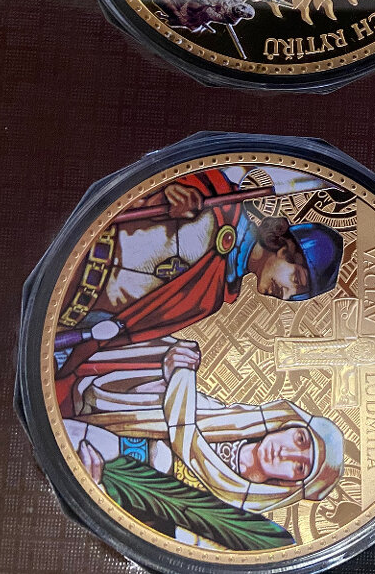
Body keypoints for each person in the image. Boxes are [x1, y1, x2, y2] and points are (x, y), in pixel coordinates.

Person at [53, 167, 344, 415]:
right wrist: (171, 194)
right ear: (285, 246)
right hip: (71, 252)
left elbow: (129, 328)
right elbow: (151, 192)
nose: (288, 294)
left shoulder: (214, 297)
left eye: (297, 295)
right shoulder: (217, 202)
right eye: (297, 279)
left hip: (67, 316)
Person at [67, 339, 344, 545]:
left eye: (300, 467)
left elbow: (161, 535)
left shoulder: (232, 514)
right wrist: (171, 370)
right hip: (85, 427)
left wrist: (102, 492)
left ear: (291, 484)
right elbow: (155, 403)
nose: (287, 453)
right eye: (300, 439)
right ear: (289, 424)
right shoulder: (220, 418)